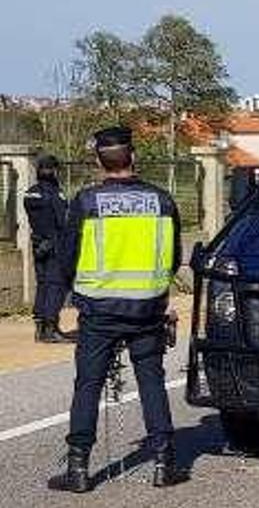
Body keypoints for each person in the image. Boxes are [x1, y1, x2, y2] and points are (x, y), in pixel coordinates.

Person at [48, 126, 186, 493]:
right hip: (147, 310)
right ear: (134, 158)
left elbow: (66, 259)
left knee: (88, 384)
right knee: (151, 382)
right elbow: (174, 258)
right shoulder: (162, 200)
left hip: (99, 311)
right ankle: (164, 462)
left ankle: (78, 467)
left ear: (97, 161)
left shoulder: (86, 201)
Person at [23, 154, 74, 343]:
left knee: (42, 284)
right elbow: (62, 221)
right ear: (54, 171)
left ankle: (40, 328)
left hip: (37, 243)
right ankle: (51, 328)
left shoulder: (30, 192)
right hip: (55, 244)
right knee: (55, 285)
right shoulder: (55, 193)